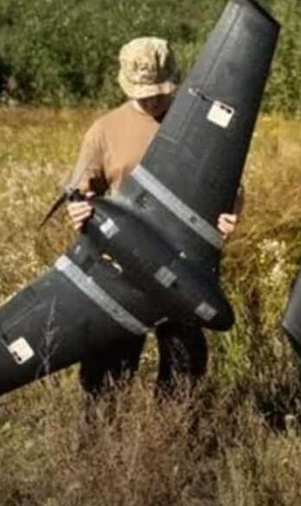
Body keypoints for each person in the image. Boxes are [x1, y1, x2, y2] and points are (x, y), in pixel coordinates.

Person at [66, 36, 239, 400]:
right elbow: (80, 191)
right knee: (108, 371)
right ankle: (102, 444)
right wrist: (77, 207)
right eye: (144, 90)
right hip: (122, 266)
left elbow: (232, 189)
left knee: (184, 364)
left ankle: (175, 437)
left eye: (160, 89)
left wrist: (231, 216)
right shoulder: (103, 130)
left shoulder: (195, 125)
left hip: (184, 262)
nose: (153, 98)